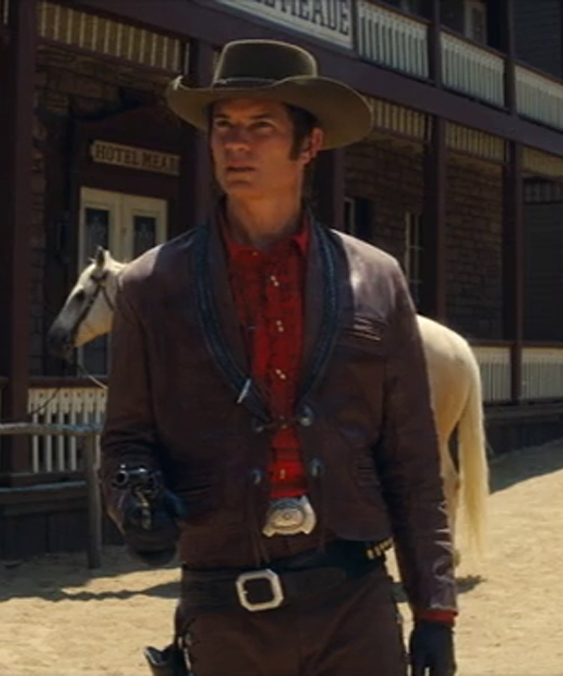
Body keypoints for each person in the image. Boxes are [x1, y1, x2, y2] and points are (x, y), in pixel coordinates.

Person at [98, 39, 458, 676]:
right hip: (225, 608)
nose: (238, 145)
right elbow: (126, 437)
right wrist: (134, 503)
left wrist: (434, 610)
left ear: (309, 145)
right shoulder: (153, 286)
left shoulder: (376, 279)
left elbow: (413, 456)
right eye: (225, 128)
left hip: (354, 603)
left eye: (261, 127)